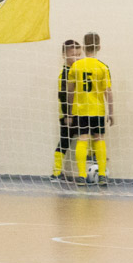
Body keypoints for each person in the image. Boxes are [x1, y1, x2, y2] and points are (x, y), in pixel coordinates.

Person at [67, 32, 113, 188]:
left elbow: (70, 91)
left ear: (83, 47)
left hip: (80, 110)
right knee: (99, 139)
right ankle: (102, 175)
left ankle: (81, 176)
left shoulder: (76, 66)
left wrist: (69, 112)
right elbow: (108, 91)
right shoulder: (102, 67)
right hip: (97, 110)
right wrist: (111, 112)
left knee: (82, 139)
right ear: (99, 47)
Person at [50, 39, 82, 183]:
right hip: (68, 114)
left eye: (79, 55)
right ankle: (56, 173)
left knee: (83, 139)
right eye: (73, 55)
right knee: (64, 141)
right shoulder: (65, 73)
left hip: (79, 112)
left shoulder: (77, 71)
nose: (76, 58)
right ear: (64, 55)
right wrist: (68, 115)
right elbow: (63, 96)